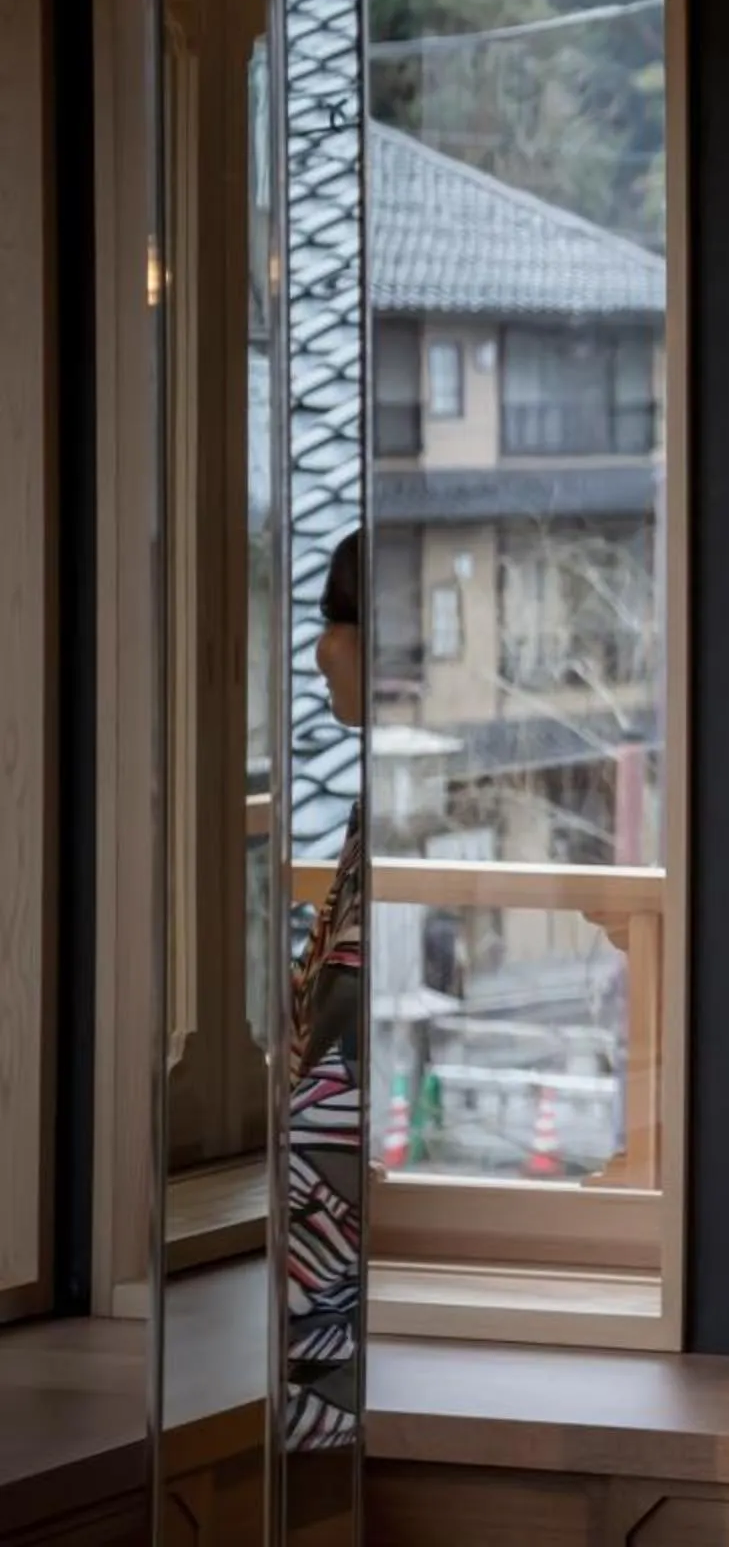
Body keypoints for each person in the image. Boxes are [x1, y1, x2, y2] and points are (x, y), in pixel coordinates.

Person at [283, 530, 368, 1452]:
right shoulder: (375, 807)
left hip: (327, 1320)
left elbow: (329, 1111)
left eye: (331, 622)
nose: (320, 651)